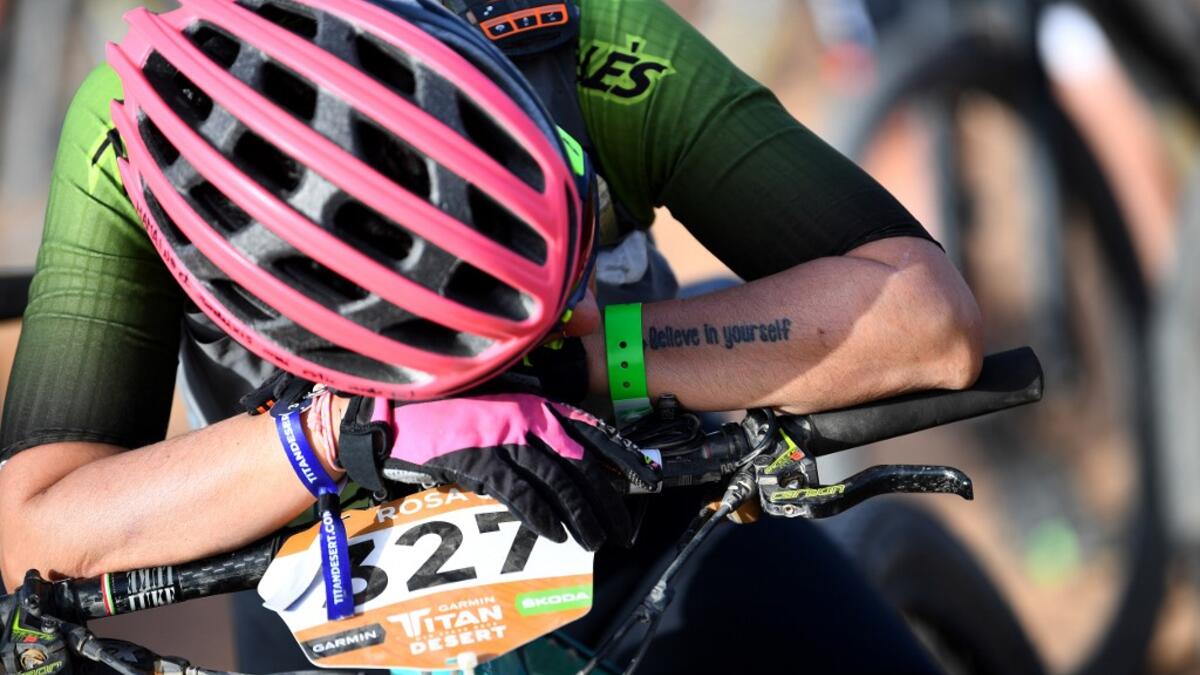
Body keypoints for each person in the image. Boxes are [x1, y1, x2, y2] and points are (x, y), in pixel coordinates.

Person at [0, 0, 981, 672]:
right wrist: (341, 436)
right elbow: (37, 530)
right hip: (329, 615)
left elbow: (925, 320)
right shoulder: (145, 115)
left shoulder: (586, 38)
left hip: (653, 537)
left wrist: (586, 361)